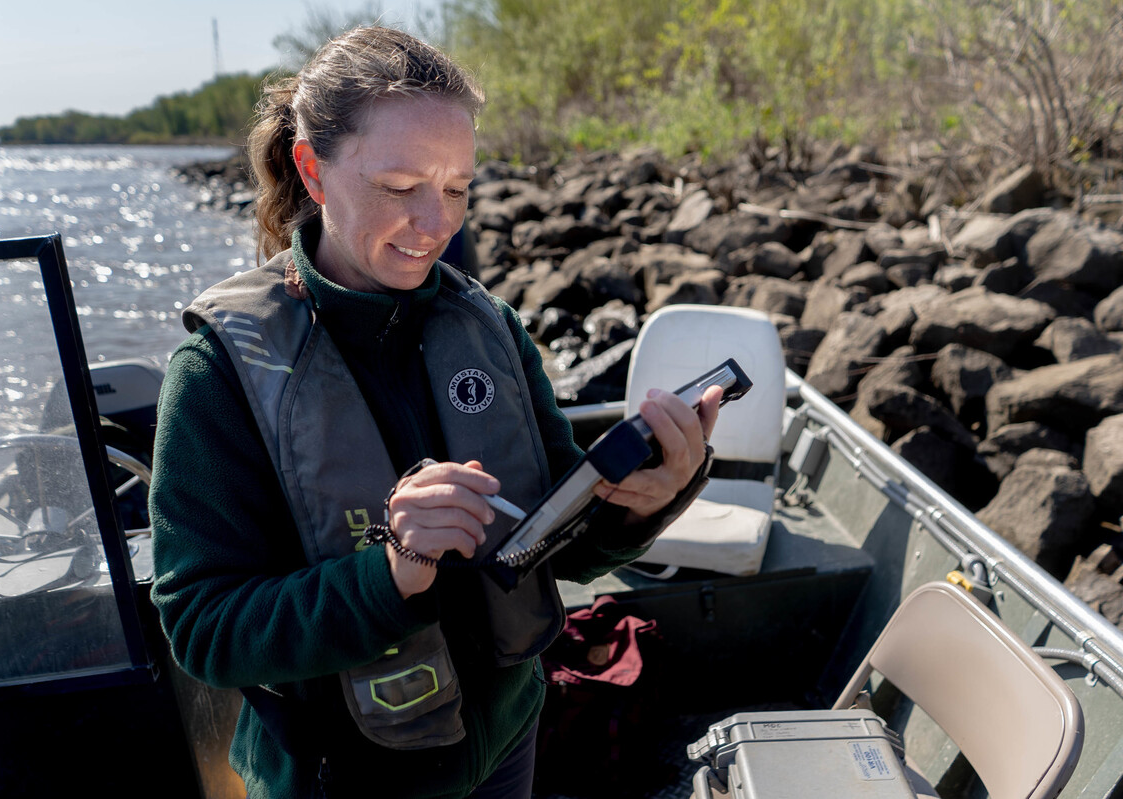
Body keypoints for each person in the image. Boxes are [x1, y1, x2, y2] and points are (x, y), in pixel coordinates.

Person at [148, 25, 721, 799]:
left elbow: (554, 546)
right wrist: (389, 571)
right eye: (399, 186)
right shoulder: (219, 372)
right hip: (345, 776)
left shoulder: (489, 328)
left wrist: (640, 506)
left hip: (507, 739)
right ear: (313, 171)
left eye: (456, 189)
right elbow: (202, 628)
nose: (436, 224)